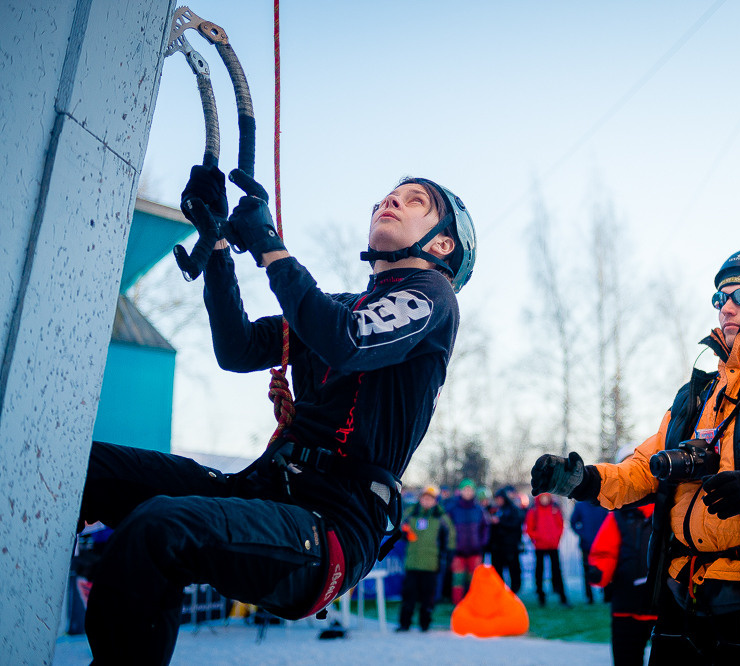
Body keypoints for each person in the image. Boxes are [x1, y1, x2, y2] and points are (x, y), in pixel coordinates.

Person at [77, 166, 476, 664]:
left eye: (415, 201)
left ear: (443, 246)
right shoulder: (336, 307)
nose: (389, 203)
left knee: (161, 526)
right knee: (87, 470)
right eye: (385, 198)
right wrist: (218, 243)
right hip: (266, 490)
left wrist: (269, 246)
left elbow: (346, 341)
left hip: (331, 524)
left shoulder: (433, 299)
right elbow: (238, 347)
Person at [531, 246, 740, 664]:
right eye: (720, 297)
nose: (726, 307)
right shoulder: (697, 394)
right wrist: (581, 480)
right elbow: (643, 470)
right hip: (680, 597)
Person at [587, 446, 657, 666]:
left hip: (662, 601)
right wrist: (599, 570)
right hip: (627, 598)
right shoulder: (619, 515)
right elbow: (606, 549)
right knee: (626, 656)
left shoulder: (667, 508)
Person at [397, 486, 455, 632]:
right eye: (424, 498)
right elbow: (399, 529)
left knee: (428, 596)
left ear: (435, 501)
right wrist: (404, 533)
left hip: (431, 564)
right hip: (412, 562)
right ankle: (405, 624)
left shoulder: (442, 518)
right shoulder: (411, 513)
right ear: (420, 499)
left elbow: (450, 538)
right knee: (408, 594)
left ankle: (425, 624)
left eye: (430, 498)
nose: (427, 501)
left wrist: (448, 556)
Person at [447, 478, 491, 603]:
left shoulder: (479, 510)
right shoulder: (453, 509)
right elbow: (447, 529)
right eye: (465, 490)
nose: (467, 492)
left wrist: (482, 543)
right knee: (457, 580)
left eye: (470, 490)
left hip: (475, 551)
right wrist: (451, 546)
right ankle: (458, 605)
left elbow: (485, 528)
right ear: (460, 491)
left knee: (474, 580)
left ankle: (473, 603)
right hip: (458, 552)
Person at [526, 492, 571, 607]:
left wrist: (556, 538)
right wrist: (537, 538)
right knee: (539, 571)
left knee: (557, 571)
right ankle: (541, 595)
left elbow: (560, 526)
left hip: (553, 546)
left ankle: (561, 595)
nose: (545, 500)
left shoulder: (555, 510)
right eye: (543, 498)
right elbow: (529, 529)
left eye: (546, 497)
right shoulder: (534, 511)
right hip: (540, 546)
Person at [571, 492, 609, 604]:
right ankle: (589, 597)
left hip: (602, 544)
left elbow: (608, 521)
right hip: (586, 545)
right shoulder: (580, 505)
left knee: (604, 569)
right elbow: (573, 522)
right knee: (587, 571)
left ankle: (606, 595)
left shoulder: (602, 503)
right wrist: (583, 534)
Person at [489, 485, 526, 593]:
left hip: (510, 545)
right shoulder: (495, 509)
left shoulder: (513, 509)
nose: (498, 501)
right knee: (498, 569)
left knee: (513, 569)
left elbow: (515, 525)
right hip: (498, 546)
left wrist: (500, 522)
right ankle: (500, 589)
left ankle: (515, 589)